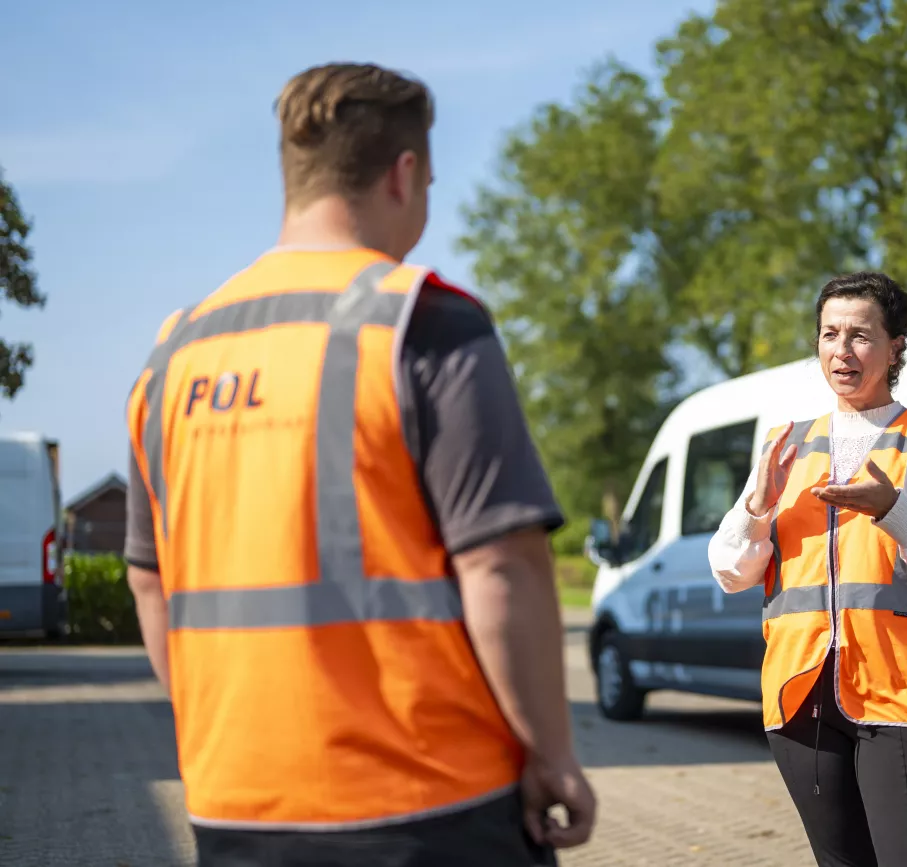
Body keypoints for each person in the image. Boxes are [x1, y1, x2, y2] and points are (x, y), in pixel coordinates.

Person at [122, 62, 595, 867]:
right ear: (404, 174)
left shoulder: (174, 355)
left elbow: (149, 581)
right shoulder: (427, 322)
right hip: (430, 806)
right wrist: (551, 754)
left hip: (234, 805)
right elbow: (500, 566)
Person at [708, 271, 907, 867]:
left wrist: (895, 510)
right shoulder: (785, 444)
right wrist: (758, 507)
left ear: (895, 348)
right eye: (829, 334)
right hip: (801, 696)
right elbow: (731, 571)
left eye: (861, 335)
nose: (842, 350)